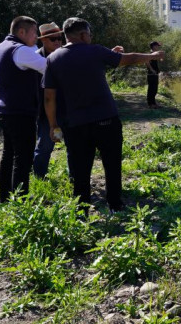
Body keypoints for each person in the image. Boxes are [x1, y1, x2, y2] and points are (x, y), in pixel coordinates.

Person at [43, 17, 164, 213]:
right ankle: (115, 204)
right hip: (106, 120)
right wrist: (152, 56)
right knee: (112, 163)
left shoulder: (53, 59)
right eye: (89, 34)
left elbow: (49, 97)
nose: (90, 38)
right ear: (83, 35)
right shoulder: (96, 51)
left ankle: (81, 210)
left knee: (80, 168)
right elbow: (129, 58)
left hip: (74, 124)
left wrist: (52, 125)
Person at [0, 16, 47, 202]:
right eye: (34, 33)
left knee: (8, 156)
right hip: (21, 112)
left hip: (6, 113)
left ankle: (5, 200)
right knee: (23, 159)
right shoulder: (21, 50)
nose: (37, 37)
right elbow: (49, 68)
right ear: (21, 32)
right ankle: (20, 205)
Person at [32, 22, 64, 178]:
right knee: (45, 146)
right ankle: (39, 178)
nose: (58, 41)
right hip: (45, 112)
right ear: (43, 40)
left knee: (74, 146)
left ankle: (75, 180)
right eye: (53, 39)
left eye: (60, 38)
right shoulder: (35, 59)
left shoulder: (65, 54)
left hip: (67, 109)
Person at [145, 41, 162, 109]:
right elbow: (146, 62)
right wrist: (152, 70)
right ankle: (150, 104)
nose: (158, 47)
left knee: (155, 89)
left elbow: (160, 59)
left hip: (155, 74)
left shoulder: (154, 54)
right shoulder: (150, 54)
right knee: (151, 89)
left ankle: (154, 104)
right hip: (151, 74)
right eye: (157, 46)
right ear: (154, 46)